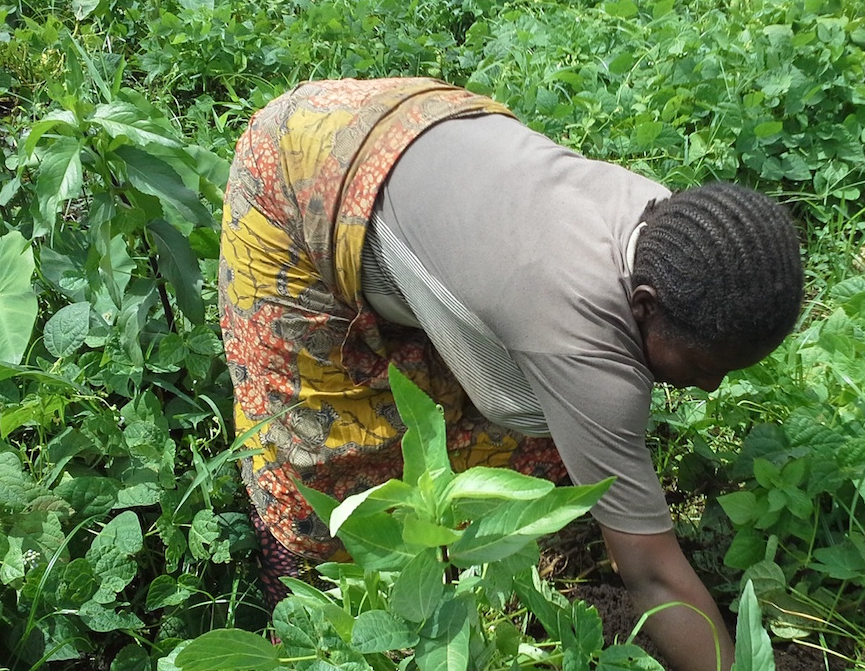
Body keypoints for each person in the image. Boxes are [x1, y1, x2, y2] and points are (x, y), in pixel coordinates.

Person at [219, 77, 803, 671]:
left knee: (521, 419)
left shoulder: (670, 231)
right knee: (321, 451)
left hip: (431, 128)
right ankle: (295, 615)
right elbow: (653, 576)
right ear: (646, 304)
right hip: (298, 173)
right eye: (706, 367)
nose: (710, 387)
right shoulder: (581, 344)